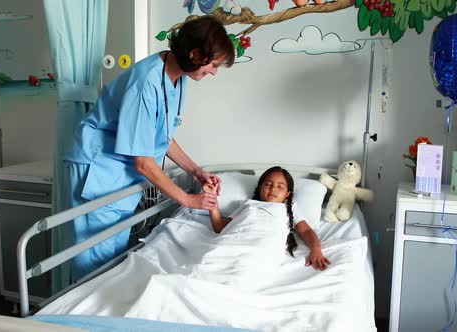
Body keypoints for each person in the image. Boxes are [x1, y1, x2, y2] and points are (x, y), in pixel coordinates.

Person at [64, 16, 235, 282]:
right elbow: (143, 161)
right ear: (195, 54)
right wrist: (188, 200)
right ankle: (75, 320)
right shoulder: (145, 82)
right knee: (94, 259)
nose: (214, 71)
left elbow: (162, 137)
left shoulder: (178, 78)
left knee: (110, 256)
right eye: (213, 64)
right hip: (99, 169)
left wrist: (196, 172)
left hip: (118, 173)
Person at [203, 166, 331, 271]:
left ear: (287, 194)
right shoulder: (247, 204)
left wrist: (316, 249)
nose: (273, 188)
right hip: (232, 244)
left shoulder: (289, 208)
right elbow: (220, 227)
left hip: (263, 247)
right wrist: (211, 198)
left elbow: (306, 231)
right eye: (268, 184)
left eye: (280, 186)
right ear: (260, 189)